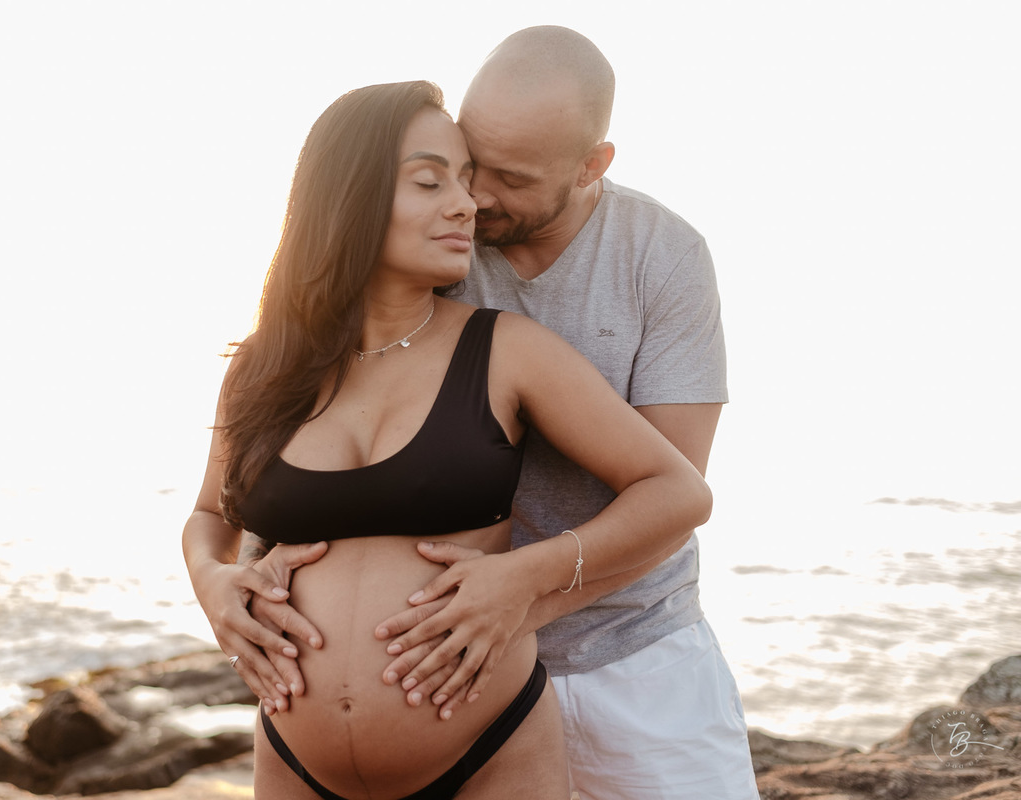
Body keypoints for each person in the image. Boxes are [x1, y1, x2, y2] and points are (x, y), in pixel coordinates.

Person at [182, 79, 712, 799]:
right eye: (431, 182)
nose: (467, 204)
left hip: (489, 748)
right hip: (292, 755)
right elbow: (212, 516)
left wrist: (529, 575)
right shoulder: (262, 367)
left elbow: (678, 490)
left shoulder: (508, 351)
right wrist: (213, 584)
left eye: (465, 182)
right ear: (348, 197)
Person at [374, 27, 759, 799]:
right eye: (471, 163)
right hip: (460, 665)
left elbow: (672, 498)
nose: (476, 197)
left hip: (640, 657)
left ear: (592, 166)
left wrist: (521, 593)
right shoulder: (436, 242)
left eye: (510, 178)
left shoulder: (665, 255)